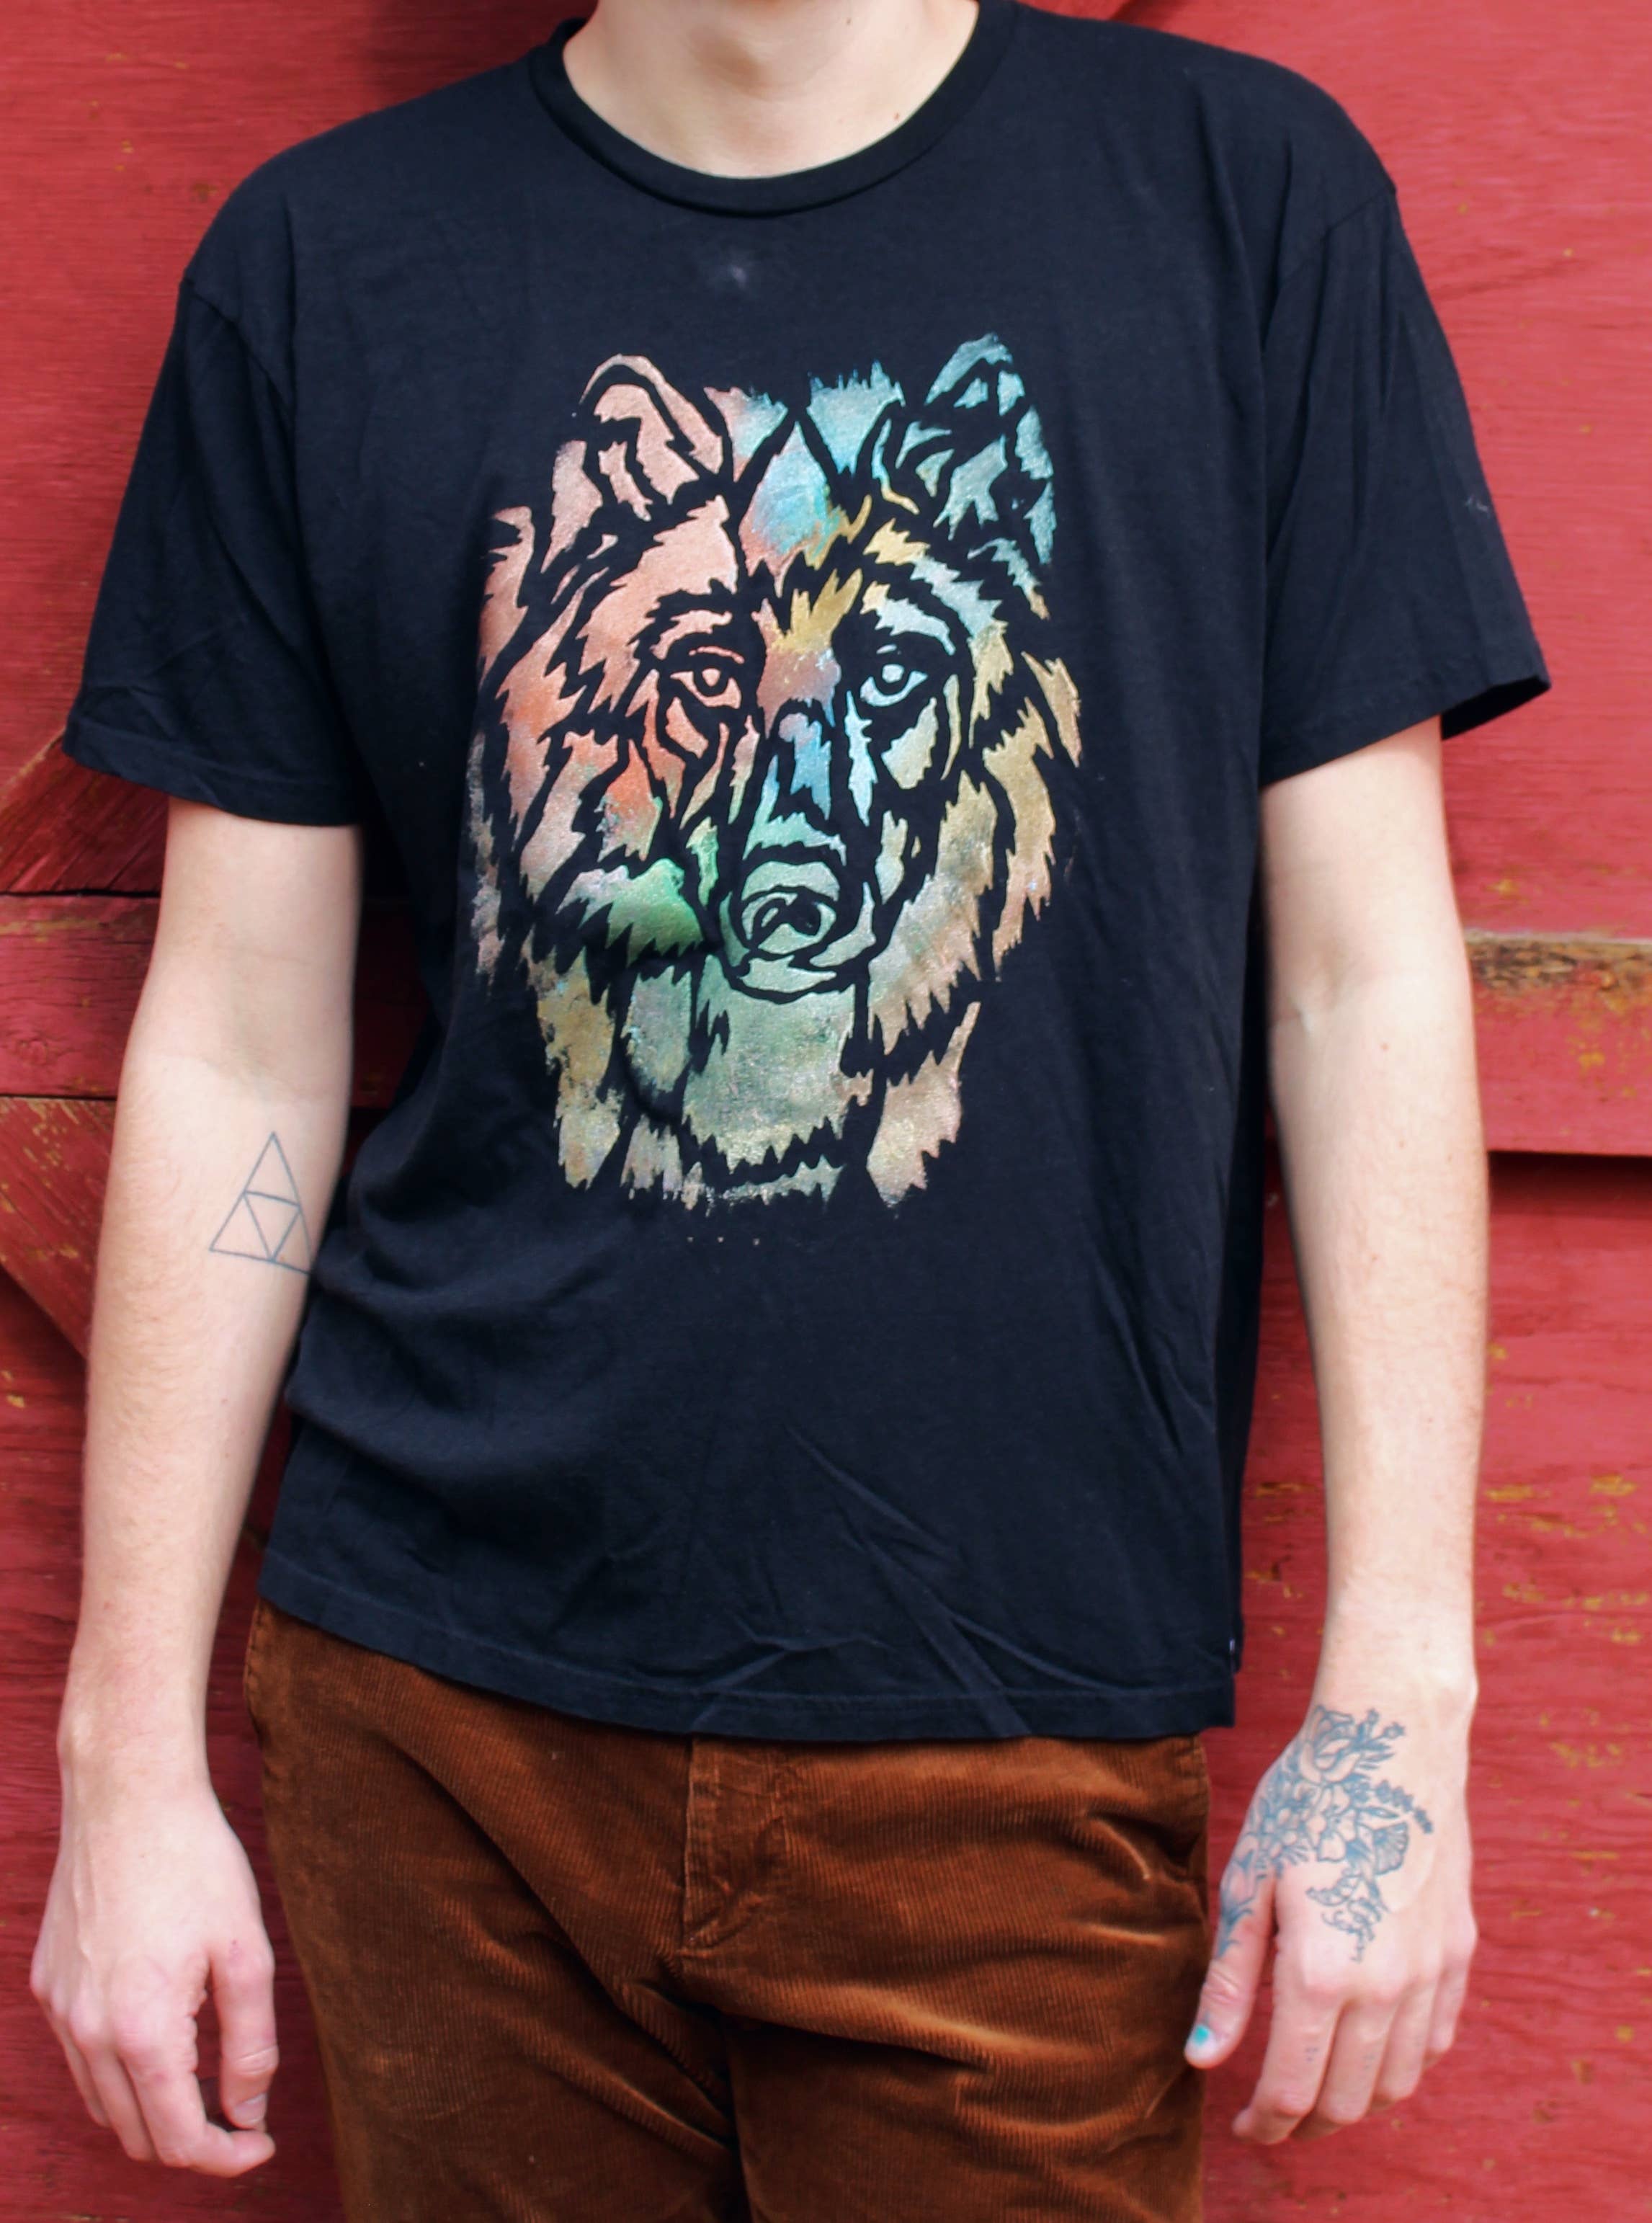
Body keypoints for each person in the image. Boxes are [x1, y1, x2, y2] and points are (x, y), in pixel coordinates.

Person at [30, 0, 1548, 2214]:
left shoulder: (1239, 207)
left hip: (1015, 1734)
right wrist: (126, 1753)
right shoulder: (329, 266)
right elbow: (241, 1040)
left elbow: (1362, 979)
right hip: (443, 1728)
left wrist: (1401, 1708)